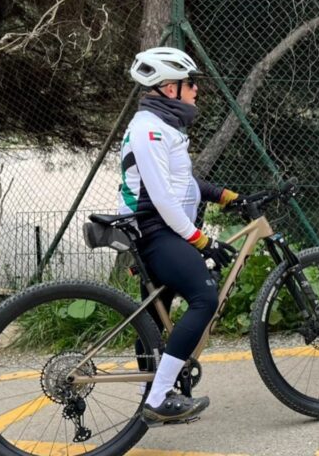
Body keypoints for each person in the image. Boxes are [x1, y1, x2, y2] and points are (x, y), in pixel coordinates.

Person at [118, 46, 241, 425]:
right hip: (154, 231)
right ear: (170, 88)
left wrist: (224, 195)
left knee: (155, 318)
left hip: (159, 230)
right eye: (191, 83)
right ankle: (158, 397)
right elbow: (162, 198)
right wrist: (201, 240)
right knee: (205, 298)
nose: (196, 90)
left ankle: (156, 395)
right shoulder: (150, 129)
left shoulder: (162, 126)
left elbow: (181, 183)